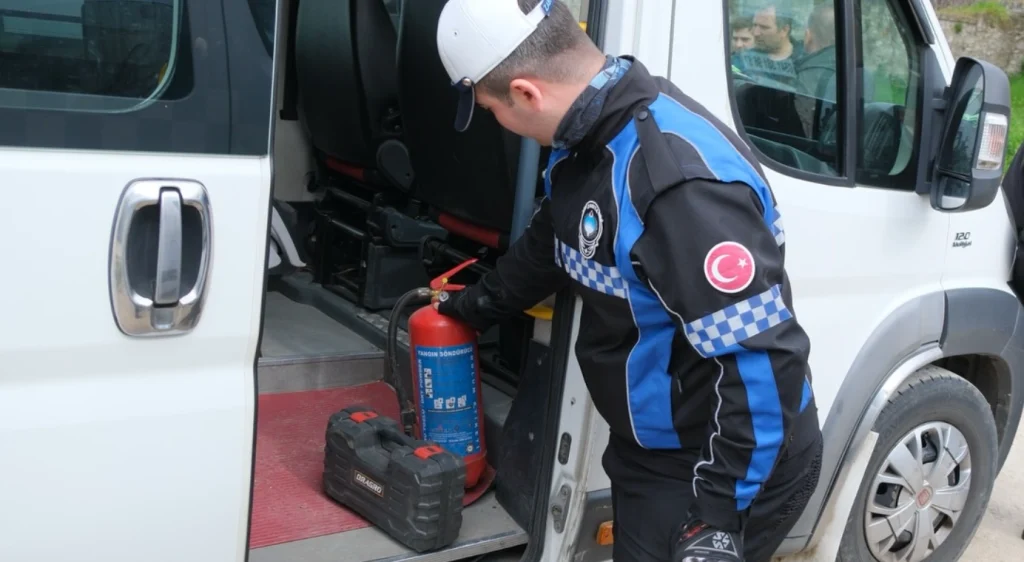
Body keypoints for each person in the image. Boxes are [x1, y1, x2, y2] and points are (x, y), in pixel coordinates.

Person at [434, 1, 823, 561]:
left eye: (493, 109)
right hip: (655, 450)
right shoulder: (587, 142)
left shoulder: (676, 188)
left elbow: (762, 362)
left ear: (525, 92)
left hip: (715, 463)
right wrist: (471, 308)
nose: (502, 123)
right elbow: (553, 240)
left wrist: (714, 517)